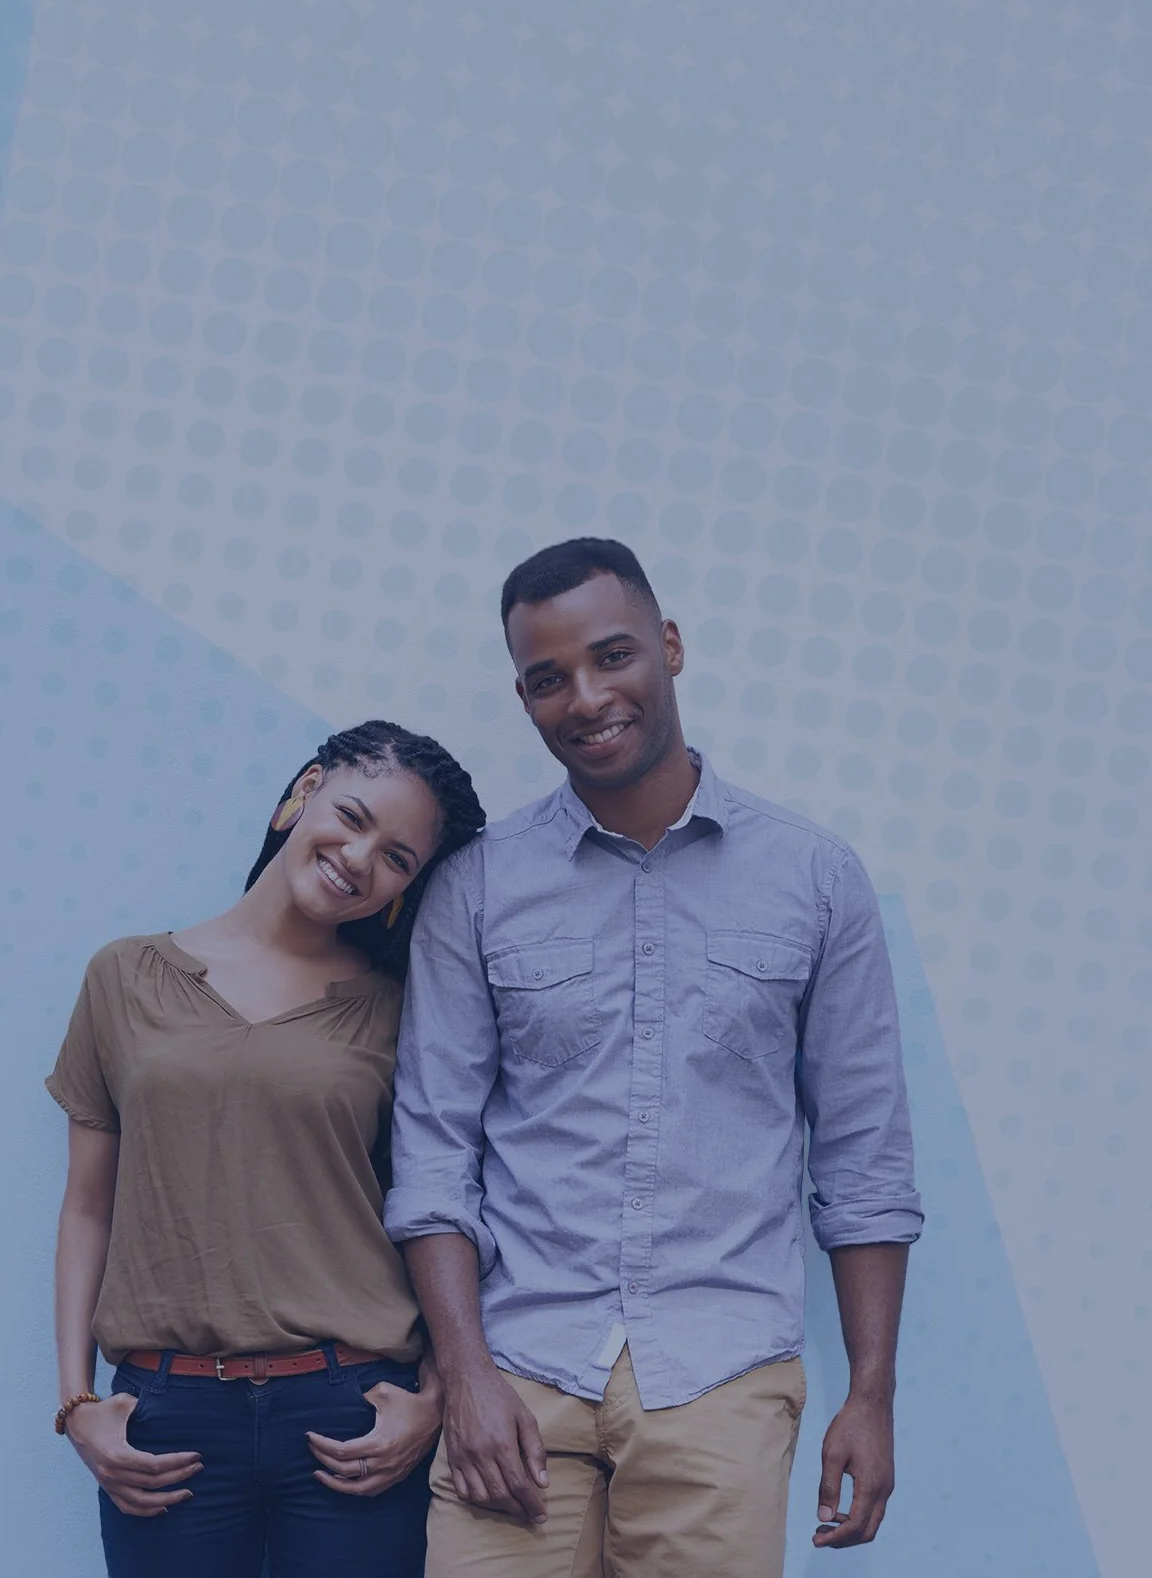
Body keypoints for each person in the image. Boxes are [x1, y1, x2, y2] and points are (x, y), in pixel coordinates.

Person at [386, 538, 923, 1578]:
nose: (584, 698)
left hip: (721, 1374)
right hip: (517, 1373)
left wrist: (871, 1392)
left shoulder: (813, 879)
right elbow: (433, 1153)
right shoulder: (477, 886)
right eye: (548, 680)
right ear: (524, 696)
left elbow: (863, 1163)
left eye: (611, 656)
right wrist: (467, 1375)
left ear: (669, 648)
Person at [47, 721, 488, 1578]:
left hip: (350, 1413)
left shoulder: (402, 1011)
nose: (361, 858)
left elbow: (443, 1208)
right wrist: (77, 1403)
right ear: (303, 792)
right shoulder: (124, 976)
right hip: (165, 1420)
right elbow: (86, 1207)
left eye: (398, 858)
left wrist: (433, 1395)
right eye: (353, 816)